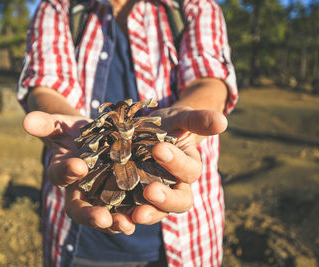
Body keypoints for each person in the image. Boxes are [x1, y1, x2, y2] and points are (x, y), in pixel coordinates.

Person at [17, 0, 238, 266]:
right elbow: (45, 85)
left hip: (189, 237)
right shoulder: (58, 7)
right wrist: (70, 130)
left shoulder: (195, 5)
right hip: (78, 237)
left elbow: (209, 79)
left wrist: (182, 125)